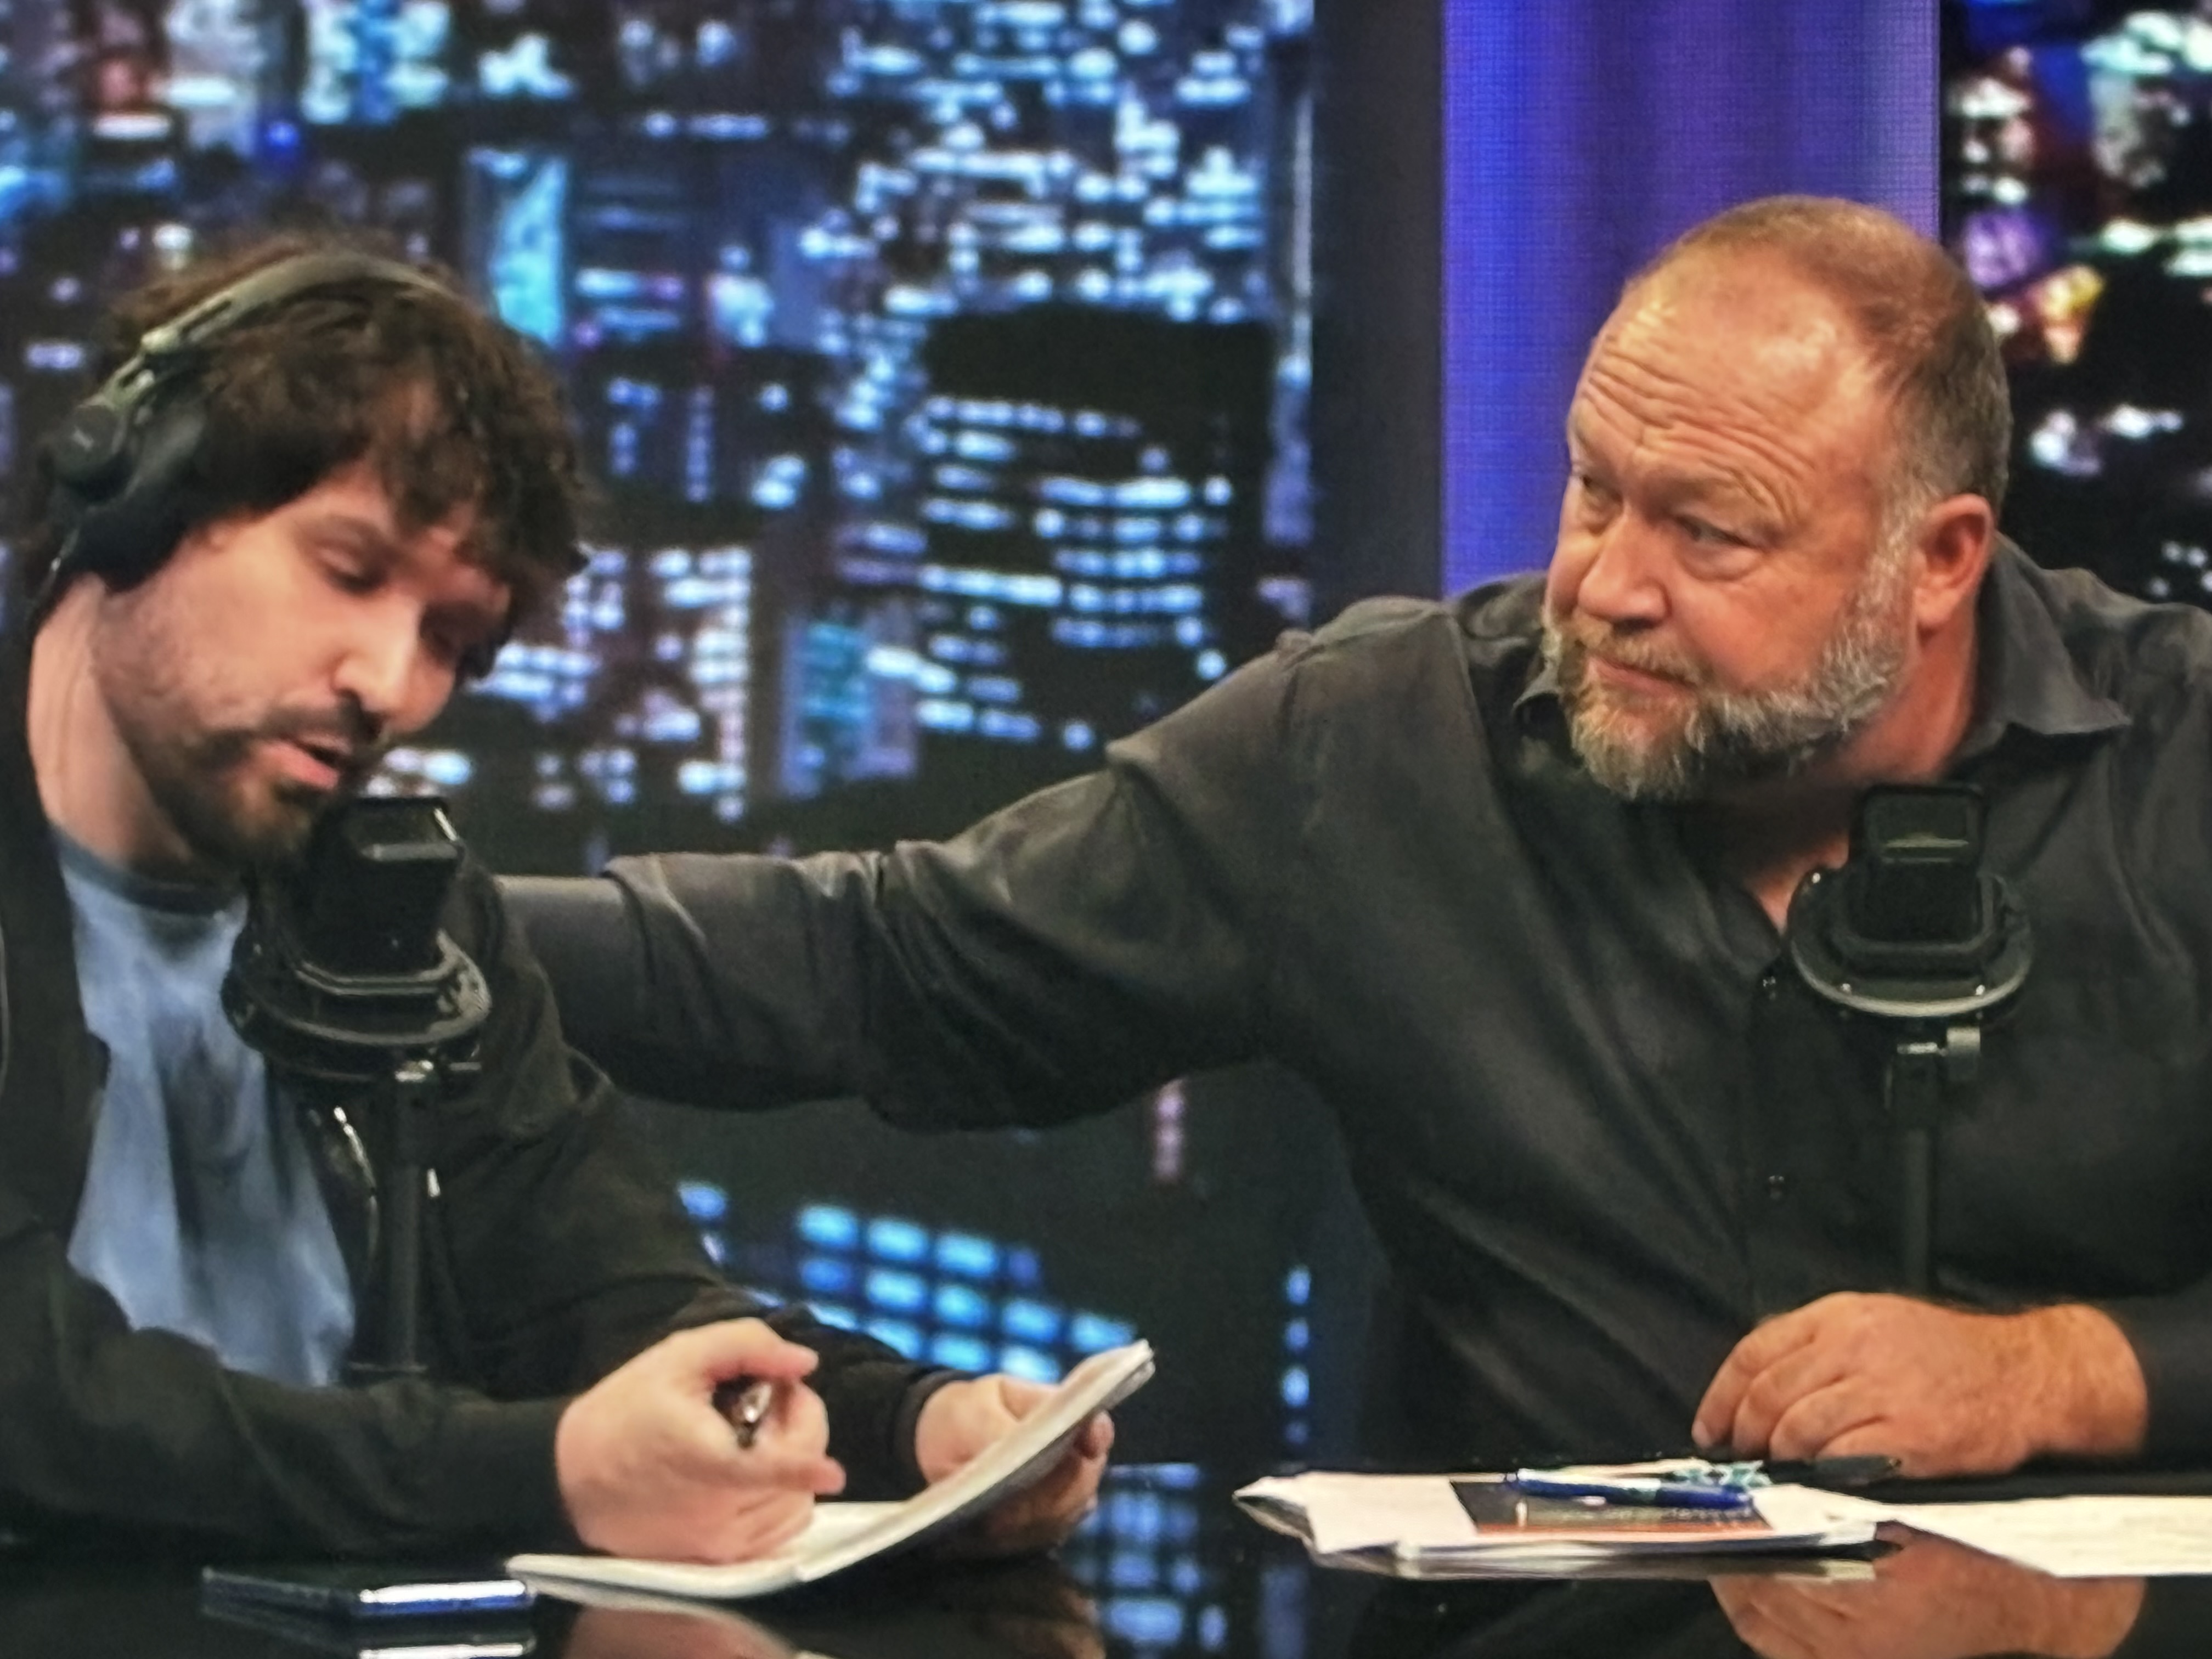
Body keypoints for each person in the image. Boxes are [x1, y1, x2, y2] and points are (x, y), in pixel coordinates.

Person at [510, 194, 2212, 1481]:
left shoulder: (2183, 760)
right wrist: (399, 927)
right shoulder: (1382, 744)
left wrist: (2059, 1374)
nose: (1606, 585)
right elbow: (884, 965)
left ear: (1938, 560)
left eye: (1710, 532)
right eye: (1594, 488)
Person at [0, 235, 1106, 1561]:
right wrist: (544, 1471)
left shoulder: (399, 914)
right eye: (349, 571)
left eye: (451, 641)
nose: (389, 685)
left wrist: (902, 1430)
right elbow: (43, 1400)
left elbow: (610, 1291)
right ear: (137, 501)